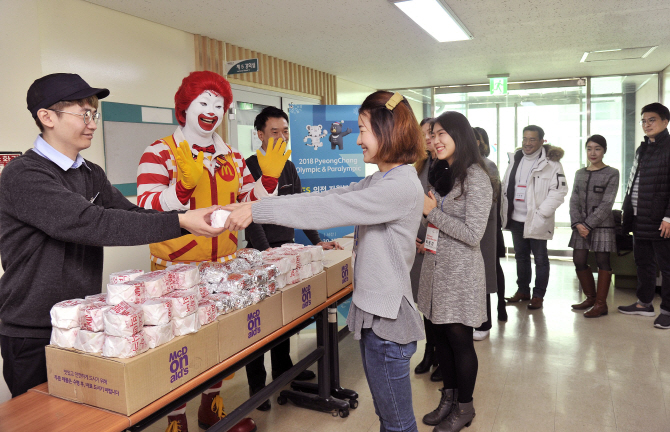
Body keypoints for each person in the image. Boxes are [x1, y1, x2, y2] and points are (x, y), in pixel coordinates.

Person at [0, 73, 224, 399]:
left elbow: (129, 214)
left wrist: (187, 221)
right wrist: (181, 220)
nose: (92, 123)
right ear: (46, 117)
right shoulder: (24, 174)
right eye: (83, 114)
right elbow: (92, 223)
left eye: (94, 113)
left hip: (83, 319)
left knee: (87, 414)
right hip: (34, 328)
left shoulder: (90, 173)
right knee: (43, 419)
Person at [224, 91, 426, 432]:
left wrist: (256, 210)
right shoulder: (382, 179)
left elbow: (328, 210)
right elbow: (328, 197)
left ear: (388, 131)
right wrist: (247, 204)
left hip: (388, 322)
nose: (358, 139)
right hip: (377, 316)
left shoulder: (400, 186)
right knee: (389, 419)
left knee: (397, 423)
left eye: (363, 130)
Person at [136, 71, 287, 432]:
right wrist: (182, 190)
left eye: (219, 105)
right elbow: (146, 206)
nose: (211, 111)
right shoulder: (159, 152)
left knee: (222, 343)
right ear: (185, 107)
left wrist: (267, 180)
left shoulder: (231, 155)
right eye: (204, 103)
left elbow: (248, 202)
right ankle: (176, 420)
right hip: (175, 271)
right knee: (180, 349)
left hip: (224, 269)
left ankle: (211, 408)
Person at [243, 106, 342, 411]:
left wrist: (317, 241)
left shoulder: (288, 166)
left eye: (285, 131)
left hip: (286, 250)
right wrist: (266, 253)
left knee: (283, 315)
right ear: (260, 135)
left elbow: (300, 207)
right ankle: (257, 387)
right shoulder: (247, 167)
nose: (282, 137)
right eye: (275, 132)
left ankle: (284, 370)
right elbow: (250, 215)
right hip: (260, 254)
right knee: (259, 323)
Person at [417, 112, 492, 432]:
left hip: (460, 272)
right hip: (436, 267)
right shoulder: (444, 173)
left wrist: (433, 213)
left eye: (441, 134)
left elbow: (473, 234)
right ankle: (447, 399)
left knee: (460, 341)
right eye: (432, 135)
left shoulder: (477, 176)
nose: (434, 141)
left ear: (459, 135)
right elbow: (432, 221)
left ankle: (465, 407)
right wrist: (427, 216)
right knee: (441, 338)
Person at [501, 125, 568, 309]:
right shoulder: (515, 159)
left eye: (532, 139)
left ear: (541, 141)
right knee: (521, 257)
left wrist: (542, 213)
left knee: (540, 258)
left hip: (537, 218)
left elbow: (560, 190)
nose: (527, 143)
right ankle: (523, 290)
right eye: (524, 139)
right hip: (516, 218)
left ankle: (538, 295)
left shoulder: (552, 164)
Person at [619, 103, 670, 329]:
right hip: (640, 217)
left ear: (665, 122)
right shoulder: (643, 149)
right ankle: (644, 304)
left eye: (652, 120)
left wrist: (669, 217)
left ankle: (668, 310)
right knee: (643, 263)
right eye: (643, 120)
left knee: (667, 267)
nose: (646, 124)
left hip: (661, 219)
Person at [568, 135, 619, 318]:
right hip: (580, 225)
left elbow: (607, 203)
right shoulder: (579, 173)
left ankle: (600, 304)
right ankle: (590, 298)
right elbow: (574, 200)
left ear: (604, 150)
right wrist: (577, 223)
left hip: (602, 225)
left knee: (603, 261)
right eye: (589, 148)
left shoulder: (612, 173)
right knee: (579, 260)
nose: (593, 152)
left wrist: (588, 224)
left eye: (597, 148)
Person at [412, 117, 442, 381]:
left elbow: (442, 211)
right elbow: (409, 206)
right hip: (418, 245)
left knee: (440, 306)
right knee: (425, 305)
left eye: (431, 134)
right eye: (423, 135)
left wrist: (429, 241)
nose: (428, 140)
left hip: (439, 247)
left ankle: (443, 358)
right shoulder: (419, 166)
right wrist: (413, 238)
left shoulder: (447, 167)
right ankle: (429, 351)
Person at [472, 127, 503, 341]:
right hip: (468, 232)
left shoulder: (488, 167)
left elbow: (490, 203)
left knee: (483, 275)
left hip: (483, 230)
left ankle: (484, 323)